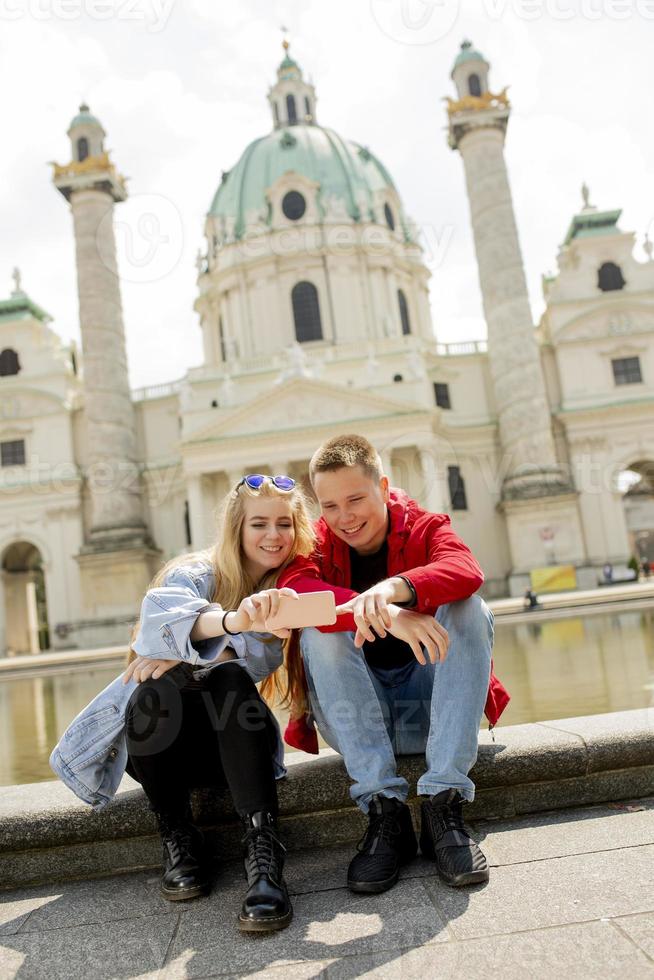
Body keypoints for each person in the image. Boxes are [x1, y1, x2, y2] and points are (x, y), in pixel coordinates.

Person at [51, 474, 316, 933]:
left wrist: (201, 644)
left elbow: (249, 661)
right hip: (160, 748)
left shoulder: (285, 592)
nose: (273, 536)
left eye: (284, 524)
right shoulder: (194, 573)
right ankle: (178, 835)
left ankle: (263, 849)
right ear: (237, 528)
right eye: (259, 524)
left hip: (235, 750)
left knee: (226, 673)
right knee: (155, 688)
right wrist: (232, 622)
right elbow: (159, 621)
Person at [279, 435, 510, 895]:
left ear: (383, 487)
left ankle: (443, 804)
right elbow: (296, 593)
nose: (344, 518)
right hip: (360, 722)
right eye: (329, 505)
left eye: (356, 499)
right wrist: (392, 615)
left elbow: (467, 571)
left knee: (470, 608)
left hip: (433, 717)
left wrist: (392, 589)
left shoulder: (424, 525)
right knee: (318, 629)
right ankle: (385, 811)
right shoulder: (317, 544)